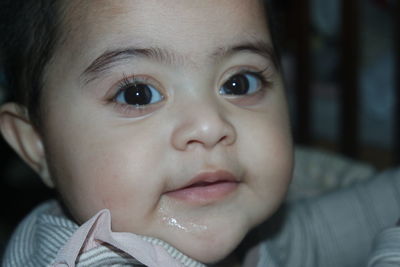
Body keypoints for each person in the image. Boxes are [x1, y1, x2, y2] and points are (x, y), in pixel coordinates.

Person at [0, 0, 399, 266]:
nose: (210, 126)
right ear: (37, 145)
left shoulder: (257, 232)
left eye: (239, 83)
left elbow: (318, 234)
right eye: (137, 93)